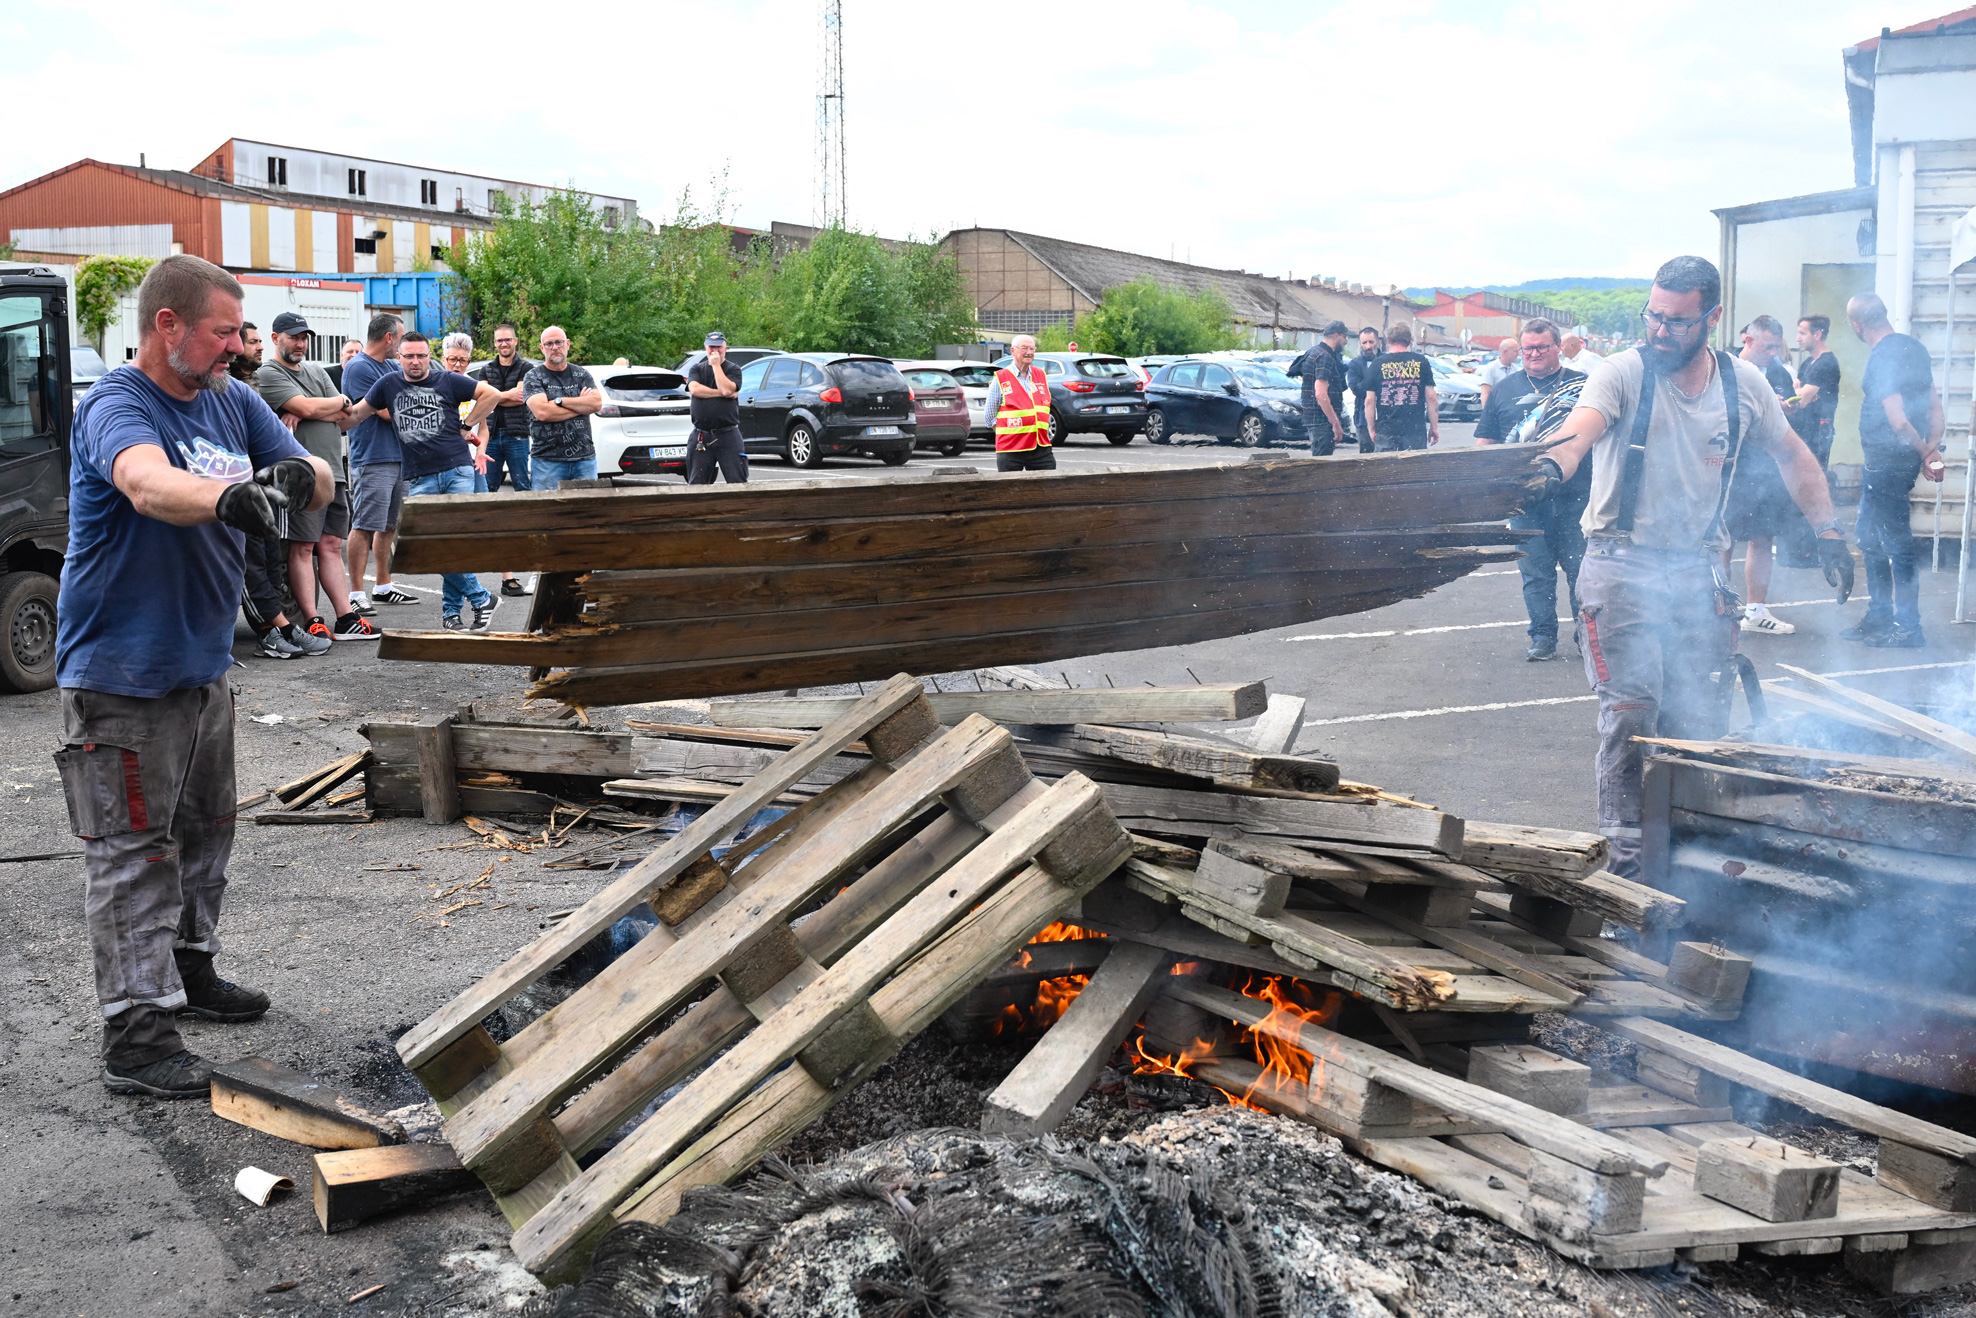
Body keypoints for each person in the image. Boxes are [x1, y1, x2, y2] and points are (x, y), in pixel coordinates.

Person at [56, 255, 333, 1097]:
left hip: (203, 663)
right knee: (134, 852)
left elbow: (315, 476)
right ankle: (136, 1036)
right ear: (167, 325)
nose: (236, 347)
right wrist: (229, 500)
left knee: (208, 829)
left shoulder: (231, 397)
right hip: (122, 673)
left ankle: (190, 970)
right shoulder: (117, 404)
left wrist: (295, 478)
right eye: (221, 333)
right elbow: (144, 484)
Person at [1527, 255, 1852, 881]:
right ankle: (1629, 880)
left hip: (1701, 573)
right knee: (1631, 719)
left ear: (1713, 316)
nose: (1660, 330)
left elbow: (1792, 452)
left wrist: (1829, 528)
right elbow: (1579, 432)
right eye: (1654, 316)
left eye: (1677, 321)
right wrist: (1549, 467)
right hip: (1621, 571)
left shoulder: (1744, 384)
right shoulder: (1623, 373)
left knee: (1700, 721)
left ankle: (1689, 866)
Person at [346, 333, 503, 631]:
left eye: (421, 356)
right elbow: (355, 415)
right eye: (409, 356)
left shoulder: (448, 380)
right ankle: (481, 598)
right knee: (433, 547)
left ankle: (452, 614)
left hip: (456, 470)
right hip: (418, 476)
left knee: (447, 545)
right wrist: (313, 414)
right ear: (399, 358)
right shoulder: (388, 384)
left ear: (429, 356)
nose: (415, 361)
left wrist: (464, 425)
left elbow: (492, 395)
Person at [257, 312, 375, 643]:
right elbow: (317, 408)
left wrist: (324, 406)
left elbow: (345, 414)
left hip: (334, 471)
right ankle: (312, 619)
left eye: (304, 337)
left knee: (330, 545)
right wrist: (329, 404)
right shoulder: (269, 372)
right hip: (301, 475)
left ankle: (346, 617)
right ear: (275, 338)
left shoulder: (316, 371)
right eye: (294, 337)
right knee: (302, 546)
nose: (300, 343)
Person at [1474, 318, 1588, 661]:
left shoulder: (1584, 386)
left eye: (1542, 347)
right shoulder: (1504, 390)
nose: (1534, 354)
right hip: (1525, 502)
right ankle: (1542, 636)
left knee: (1582, 574)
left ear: (1558, 348)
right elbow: (1486, 441)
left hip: (1578, 497)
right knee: (1535, 574)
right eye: (1528, 348)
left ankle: (1587, 637)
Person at [1844, 291, 1947, 648]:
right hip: (1898, 460)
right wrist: (1930, 450)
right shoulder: (1914, 348)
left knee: (1895, 543)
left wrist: (1921, 448)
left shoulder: (1882, 358)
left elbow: (1898, 420)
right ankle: (1879, 618)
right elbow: (1935, 405)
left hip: (1886, 462)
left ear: (1857, 325)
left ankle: (1907, 628)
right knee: (1869, 539)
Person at [1718, 315, 1806, 637]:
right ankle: (1718, 607)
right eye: (1767, 346)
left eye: (1777, 347)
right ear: (1748, 340)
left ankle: (1755, 610)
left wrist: (1788, 410)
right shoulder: (1724, 369)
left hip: (1767, 470)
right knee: (1721, 541)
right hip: (1730, 467)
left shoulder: (1780, 373)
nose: (1773, 352)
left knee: (1763, 538)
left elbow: (1783, 424)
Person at [341, 313, 419, 613]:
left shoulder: (388, 365)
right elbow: (386, 411)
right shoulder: (359, 367)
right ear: (389, 337)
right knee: (364, 524)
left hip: (399, 456)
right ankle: (357, 592)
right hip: (373, 458)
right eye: (399, 338)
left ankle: (383, 585)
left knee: (389, 525)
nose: (400, 345)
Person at [523, 326, 603, 489]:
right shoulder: (533, 377)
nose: (554, 347)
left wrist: (559, 402)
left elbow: (596, 404)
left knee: (587, 511)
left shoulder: (582, 374)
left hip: (585, 459)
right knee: (547, 510)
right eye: (549, 344)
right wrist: (580, 403)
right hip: (547, 461)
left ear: (567, 344)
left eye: (558, 342)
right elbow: (543, 412)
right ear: (541, 348)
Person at [1361, 323, 1439, 452]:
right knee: (1414, 470)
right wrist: (1434, 426)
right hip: (1414, 431)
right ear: (1409, 341)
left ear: (1388, 340)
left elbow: (1369, 401)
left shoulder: (1377, 364)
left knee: (1387, 471)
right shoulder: (1421, 362)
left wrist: (1371, 428)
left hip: (1386, 430)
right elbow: (1431, 397)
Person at [983, 334, 1055, 471]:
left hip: (1041, 448)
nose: (1029, 352)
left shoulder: (1041, 375)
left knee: (1047, 489)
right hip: (1011, 448)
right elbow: (989, 418)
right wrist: (1011, 433)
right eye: (1024, 348)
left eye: (1032, 349)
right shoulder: (1001, 378)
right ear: (1012, 351)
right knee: (1010, 491)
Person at [685, 331, 748, 484]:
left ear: (726, 348)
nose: (715, 350)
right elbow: (695, 389)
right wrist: (722, 394)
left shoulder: (733, 369)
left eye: (719, 347)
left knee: (737, 483)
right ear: (705, 348)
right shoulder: (697, 369)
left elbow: (727, 389)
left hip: (728, 435)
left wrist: (716, 366)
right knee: (696, 485)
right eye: (711, 346)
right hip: (702, 436)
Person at [1287, 321, 1349, 456]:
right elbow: (1321, 394)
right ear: (1336, 335)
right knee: (1322, 467)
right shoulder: (1325, 357)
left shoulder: (1314, 352)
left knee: (1321, 463)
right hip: (1322, 422)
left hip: (1315, 420)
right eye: (1345, 337)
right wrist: (1335, 423)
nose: (1346, 342)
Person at [440, 333, 490, 492]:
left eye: (463, 360)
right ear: (443, 360)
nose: (457, 365)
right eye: (452, 359)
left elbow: (483, 428)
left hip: (472, 461)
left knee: (482, 508)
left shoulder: (476, 390)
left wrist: (481, 452)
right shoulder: (433, 388)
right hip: (443, 463)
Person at [1790, 314, 1841, 470]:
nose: (1798, 339)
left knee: (1814, 476)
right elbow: (1795, 391)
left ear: (1817, 334)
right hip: (1805, 431)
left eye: (1802, 333)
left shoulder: (1826, 363)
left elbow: (1800, 400)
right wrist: (1801, 392)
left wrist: (1800, 393)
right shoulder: (1807, 363)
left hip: (1818, 432)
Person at [1345, 327, 1380, 454]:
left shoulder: (1387, 361)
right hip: (1363, 418)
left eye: (1371, 342)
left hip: (1386, 418)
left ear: (1378, 342)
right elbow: (1356, 389)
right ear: (1360, 344)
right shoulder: (1354, 364)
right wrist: (1377, 386)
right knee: (1366, 457)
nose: (1368, 346)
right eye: (1364, 343)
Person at [1477, 337, 1520, 407]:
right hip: (1496, 409)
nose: (1518, 354)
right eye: (1515, 351)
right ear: (1505, 352)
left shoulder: (1515, 369)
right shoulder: (1490, 368)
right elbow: (1485, 393)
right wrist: (1486, 413)